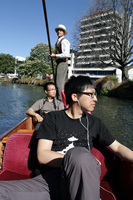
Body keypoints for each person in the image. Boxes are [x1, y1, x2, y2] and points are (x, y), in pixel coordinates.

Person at [0, 75, 133, 200]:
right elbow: (43, 155)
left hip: (82, 178)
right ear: (75, 97)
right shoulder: (53, 118)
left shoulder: (95, 122)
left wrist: (84, 161)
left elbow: (118, 147)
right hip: (50, 180)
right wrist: (75, 160)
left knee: (79, 154)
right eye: (90, 94)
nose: (95, 99)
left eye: (95, 94)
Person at [49, 24, 70, 100]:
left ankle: (61, 102)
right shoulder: (57, 41)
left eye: (61, 30)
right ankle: (58, 100)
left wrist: (55, 55)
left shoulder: (64, 41)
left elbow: (66, 54)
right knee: (56, 83)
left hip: (63, 63)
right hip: (59, 63)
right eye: (58, 30)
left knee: (59, 84)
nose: (59, 31)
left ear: (64, 32)